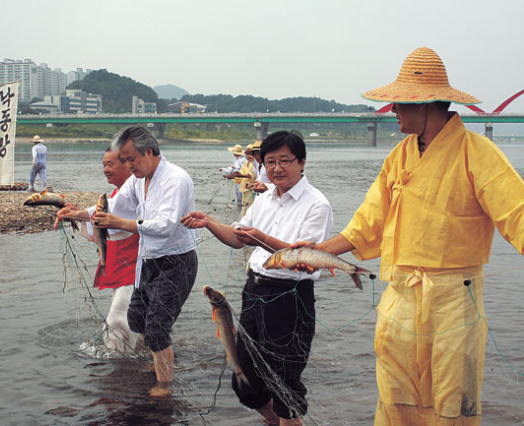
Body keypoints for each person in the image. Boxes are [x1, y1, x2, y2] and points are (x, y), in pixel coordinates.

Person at [294, 47, 524, 426]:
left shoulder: (477, 153)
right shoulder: (399, 156)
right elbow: (370, 220)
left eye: (400, 103)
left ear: (425, 104)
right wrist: (319, 250)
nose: (393, 111)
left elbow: (517, 213)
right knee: (394, 398)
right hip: (400, 294)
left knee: (453, 403)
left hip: (454, 300)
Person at [182, 131, 334, 426]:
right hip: (254, 291)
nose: (277, 168)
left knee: (285, 379)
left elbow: (306, 259)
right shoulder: (265, 200)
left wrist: (262, 239)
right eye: (270, 162)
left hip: (291, 296)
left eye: (285, 161)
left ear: (302, 162)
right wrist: (210, 222)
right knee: (245, 380)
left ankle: (290, 421)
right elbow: (239, 239)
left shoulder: (317, 204)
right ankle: (279, 422)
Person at [92, 125, 199, 397]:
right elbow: (114, 208)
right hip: (148, 260)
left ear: (149, 151)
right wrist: (77, 214)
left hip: (177, 261)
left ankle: (164, 384)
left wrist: (118, 223)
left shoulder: (176, 179)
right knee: (136, 319)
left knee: (156, 327)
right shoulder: (137, 179)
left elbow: (163, 226)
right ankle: (154, 358)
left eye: (131, 159)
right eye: (124, 161)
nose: (128, 166)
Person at [55, 148, 142, 354]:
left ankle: (121, 365)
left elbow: (105, 212)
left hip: (136, 268)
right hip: (122, 266)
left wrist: (79, 214)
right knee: (135, 316)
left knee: (118, 318)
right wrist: (78, 214)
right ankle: (143, 356)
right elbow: (102, 224)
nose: (105, 169)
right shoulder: (117, 193)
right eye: (103, 165)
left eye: (110, 164)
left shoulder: (134, 190)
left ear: (127, 164)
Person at [237, 144, 257, 215]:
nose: (248, 157)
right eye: (247, 155)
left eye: (249, 155)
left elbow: (253, 175)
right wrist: (236, 175)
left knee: (250, 206)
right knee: (244, 206)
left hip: (251, 188)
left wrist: (243, 175)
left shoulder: (255, 164)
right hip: (244, 188)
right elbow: (242, 172)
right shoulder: (246, 163)